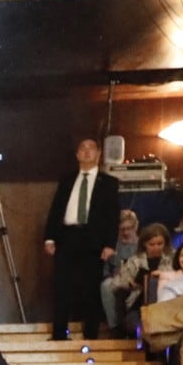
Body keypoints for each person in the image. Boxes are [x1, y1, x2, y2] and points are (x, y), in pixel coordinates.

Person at [42, 138, 122, 341]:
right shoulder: (67, 180)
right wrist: (49, 237)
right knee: (62, 285)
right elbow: (56, 209)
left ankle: (90, 334)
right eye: (82, 149)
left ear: (98, 154)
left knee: (91, 287)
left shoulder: (109, 183)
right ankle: (59, 333)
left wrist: (109, 244)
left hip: (92, 239)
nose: (86, 152)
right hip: (67, 236)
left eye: (91, 149)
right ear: (77, 154)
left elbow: (113, 216)